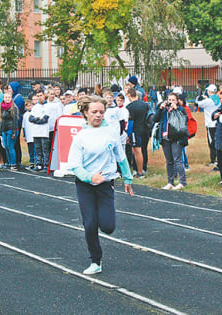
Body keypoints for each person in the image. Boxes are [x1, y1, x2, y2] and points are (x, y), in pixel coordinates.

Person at [67, 95, 133, 275]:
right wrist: (89, 177)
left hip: (105, 184)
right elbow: (74, 165)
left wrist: (127, 179)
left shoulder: (111, 132)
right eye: (94, 112)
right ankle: (95, 260)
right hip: (85, 184)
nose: (98, 115)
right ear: (85, 113)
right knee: (90, 223)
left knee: (108, 226)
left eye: (101, 112)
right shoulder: (80, 136)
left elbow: (121, 156)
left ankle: (101, 228)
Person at [153, 92, 188, 190]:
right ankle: (170, 182)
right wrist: (160, 109)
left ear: (177, 101)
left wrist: (176, 110)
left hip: (177, 137)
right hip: (165, 137)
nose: (171, 102)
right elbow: (155, 119)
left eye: (173, 100)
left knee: (177, 160)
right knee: (169, 161)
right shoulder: (164, 110)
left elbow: (185, 119)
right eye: (169, 100)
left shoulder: (181, 109)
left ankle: (182, 181)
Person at [126, 88, 149, 178]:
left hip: (136, 130)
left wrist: (128, 135)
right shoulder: (145, 105)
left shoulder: (130, 107)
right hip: (145, 129)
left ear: (129, 95)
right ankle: (143, 168)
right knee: (143, 149)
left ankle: (139, 172)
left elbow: (130, 123)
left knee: (137, 151)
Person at [197, 84, 219, 167]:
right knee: (217, 140)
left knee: (211, 142)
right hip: (217, 123)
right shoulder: (218, 99)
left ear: (209, 91)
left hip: (210, 123)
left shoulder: (207, 101)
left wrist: (201, 97)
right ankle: (218, 158)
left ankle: (213, 160)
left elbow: (198, 103)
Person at [29, 94, 50, 172]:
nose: (39, 97)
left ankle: (46, 165)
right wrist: (38, 118)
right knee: (37, 149)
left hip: (44, 132)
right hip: (36, 132)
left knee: (45, 149)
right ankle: (39, 164)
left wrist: (36, 120)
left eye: (41, 95)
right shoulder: (35, 107)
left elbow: (45, 119)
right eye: (38, 96)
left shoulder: (47, 106)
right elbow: (30, 118)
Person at [0, 92, 19, 171]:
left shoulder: (12, 107)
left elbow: (14, 120)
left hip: (11, 128)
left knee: (10, 147)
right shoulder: (2, 107)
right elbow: (1, 119)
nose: (7, 99)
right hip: (4, 129)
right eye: (6, 97)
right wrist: (0, 131)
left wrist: (14, 132)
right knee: (6, 147)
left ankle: (13, 164)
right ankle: (9, 162)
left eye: (9, 97)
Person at [22, 100, 36, 170]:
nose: (29, 107)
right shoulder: (25, 115)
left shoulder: (35, 113)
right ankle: (31, 162)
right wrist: (24, 135)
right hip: (28, 134)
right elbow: (24, 126)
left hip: (34, 134)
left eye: (30, 105)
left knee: (35, 149)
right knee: (30, 149)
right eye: (27, 106)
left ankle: (36, 162)